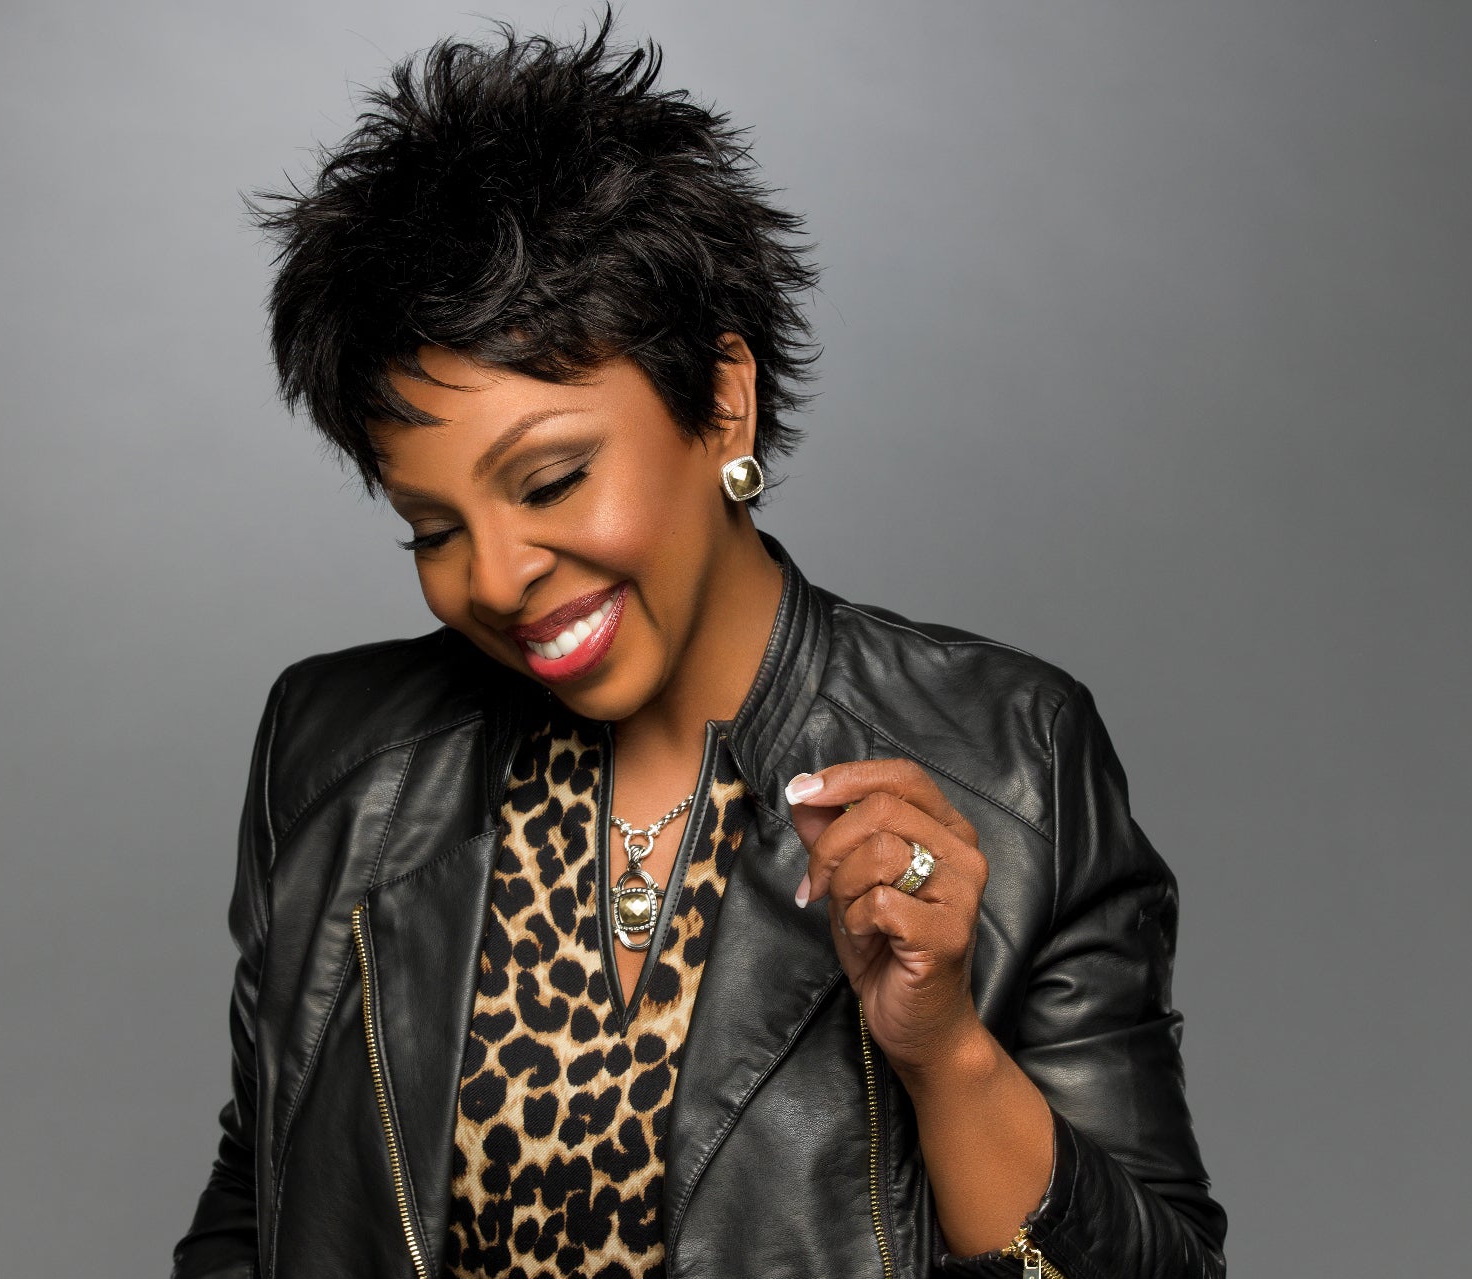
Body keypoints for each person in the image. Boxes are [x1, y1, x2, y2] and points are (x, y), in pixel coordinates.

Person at [172, 11, 1224, 1278]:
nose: (494, 579)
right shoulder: (337, 757)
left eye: (551, 481)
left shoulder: (1012, 761)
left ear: (723, 398)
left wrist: (945, 1051)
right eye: (433, 528)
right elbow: (262, 1202)